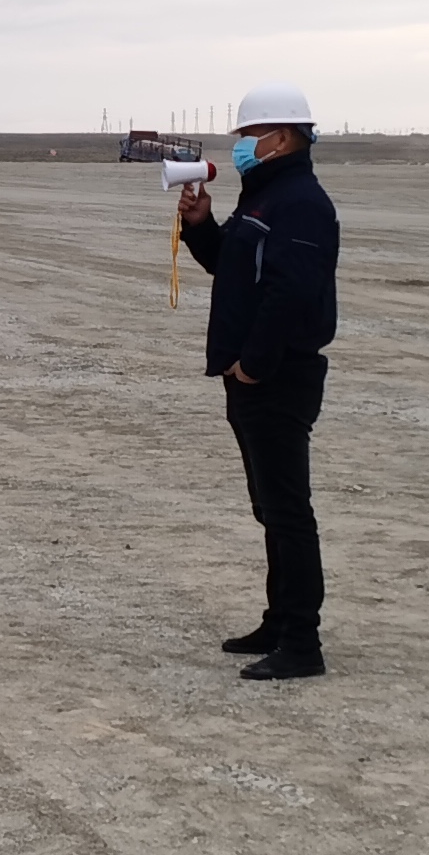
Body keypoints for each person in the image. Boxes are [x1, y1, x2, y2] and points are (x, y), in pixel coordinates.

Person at [175, 82, 341, 680]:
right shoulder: (265, 196)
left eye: (249, 136)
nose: (241, 145)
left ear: (284, 137)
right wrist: (202, 226)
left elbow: (289, 295)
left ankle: (302, 643)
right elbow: (235, 269)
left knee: (288, 510)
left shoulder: (300, 203)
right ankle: (279, 620)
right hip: (252, 378)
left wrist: (254, 364)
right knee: (270, 507)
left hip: (277, 378)